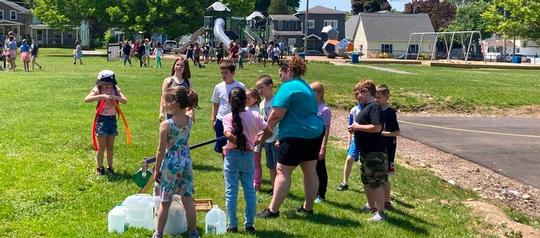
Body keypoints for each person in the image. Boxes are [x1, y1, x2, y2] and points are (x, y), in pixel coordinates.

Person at [258, 57, 325, 218]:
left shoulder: (287, 87)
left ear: (289, 71)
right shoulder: (305, 86)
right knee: (310, 170)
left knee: (282, 171)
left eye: (281, 74)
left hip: (296, 135)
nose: (280, 78)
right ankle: (308, 208)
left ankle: (272, 210)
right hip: (315, 132)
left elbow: (276, 114)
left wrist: (266, 131)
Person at [153, 86, 200, 238]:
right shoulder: (189, 120)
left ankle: (158, 234)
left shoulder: (166, 125)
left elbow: (161, 151)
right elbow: (190, 111)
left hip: (171, 165)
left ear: (174, 103)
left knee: (165, 202)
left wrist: (156, 169)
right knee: (188, 201)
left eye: (166, 101)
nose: (164, 104)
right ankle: (193, 232)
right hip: (186, 162)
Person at [222, 87, 269, 233]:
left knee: (231, 191)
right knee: (249, 190)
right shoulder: (255, 115)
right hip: (249, 155)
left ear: (230, 102)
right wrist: (256, 141)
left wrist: (236, 140)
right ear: (245, 101)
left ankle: (232, 225)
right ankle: (249, 224)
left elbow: (227, 133)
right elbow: (269, 131)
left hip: (233, 156)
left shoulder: (228, 117)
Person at [348, 79, 388, 222]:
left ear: (366, 92)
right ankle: (371, 206)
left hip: (374, 152)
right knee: (366, 180)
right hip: (366, 152)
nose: (357, 94)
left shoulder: (374, 107)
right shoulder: (365, 107)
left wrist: (357, 127)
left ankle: (381, 213)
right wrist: (355, 128)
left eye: (359, 92)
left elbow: (377, 127)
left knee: (376, 182)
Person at [84, 70, 128, 175]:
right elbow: (87, 99)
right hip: (101, 120)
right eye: (104, 85)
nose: (106, 87)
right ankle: (100, 168)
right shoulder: (98, 89)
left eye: (108, 85)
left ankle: (110, 167)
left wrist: (115, 97)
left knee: (110, 147)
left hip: (112, 120)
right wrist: (101, 96)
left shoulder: (115, 89)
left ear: (112, 83)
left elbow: (125, 100)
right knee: (101, 147)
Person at [211, 60, 246, 159]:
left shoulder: (240, 86)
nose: (223, 75)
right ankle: (226, 167)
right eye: (222, 73)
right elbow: (215, 103)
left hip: (236, 120)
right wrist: (213, 119)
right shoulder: (218, 87)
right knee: (223, 147)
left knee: (236, 144)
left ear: (233, 73)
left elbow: (245, 103)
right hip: (221, 120)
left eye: (226, 72)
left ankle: (236, 166)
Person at [376, 84, 400, 209]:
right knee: (378, 173)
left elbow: (397, 132)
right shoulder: (376, 109)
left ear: (387, 97)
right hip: (378, 146)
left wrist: (381, 132)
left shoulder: (390, 112)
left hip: (388, 148)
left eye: (379, 97)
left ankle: (387, 201)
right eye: (375, 97)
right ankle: (378, 199)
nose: (376, 100)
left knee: (385, 175)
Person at [337, 83, 363, 191]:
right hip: (355, 140)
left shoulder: (371, 108)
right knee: (349, 159)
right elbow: (350, 128)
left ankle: (365, 183)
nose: (357, 97)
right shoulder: (354, 110)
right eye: (356, 95)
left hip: (366, 141)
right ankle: (345, 182)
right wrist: (348, 143)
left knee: (363, 163)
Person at [256, 75, 279, 193]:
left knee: (277, 166)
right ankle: (273, 187)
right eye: (258, 88)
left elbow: (279, 120)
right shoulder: (261, 104)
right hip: (267, 139)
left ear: (270, 87)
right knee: (270, 165)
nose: (259, 91)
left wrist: (279, 138)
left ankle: (278, 188)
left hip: (276, 139)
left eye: (262, 87)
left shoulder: (277, 101)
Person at [310, 82, 331, 203]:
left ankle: (321, 194)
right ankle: (313, 192)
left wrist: (323, 146)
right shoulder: (310, 107)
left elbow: (327, 130)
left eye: (313, 93)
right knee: (311, 169)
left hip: (319, 142)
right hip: (310, 142)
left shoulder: (325, 110)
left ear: (320, 94)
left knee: (320, 169)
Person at [159, 57, 192, 122]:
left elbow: (190, 98)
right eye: (177, 65)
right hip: (170, 113)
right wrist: (161, 112)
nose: (178, 67)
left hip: (183, 113)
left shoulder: (187, 82)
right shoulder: (168, 81)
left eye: (182, 66)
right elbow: (163, 97)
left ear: (185, 68)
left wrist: (191, 113)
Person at [245, 88, 262, 190]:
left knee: (255, 162)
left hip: (255, 140)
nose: (245, 100)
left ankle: (257, 183)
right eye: (244, 97)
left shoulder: (257, 111)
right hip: (246, 139)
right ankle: (249, 181)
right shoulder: (246, 109)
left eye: (248, 98)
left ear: (255, 99)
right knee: (248, 162)